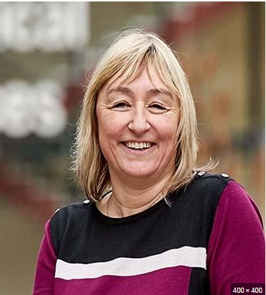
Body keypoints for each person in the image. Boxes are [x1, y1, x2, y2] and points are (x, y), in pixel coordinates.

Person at [32, 29, 265, 295]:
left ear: (180, 121)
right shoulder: (63, 234)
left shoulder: (220, 207)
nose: (139, 124)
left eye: (157, 106)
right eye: (120, 104)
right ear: (95, 121)